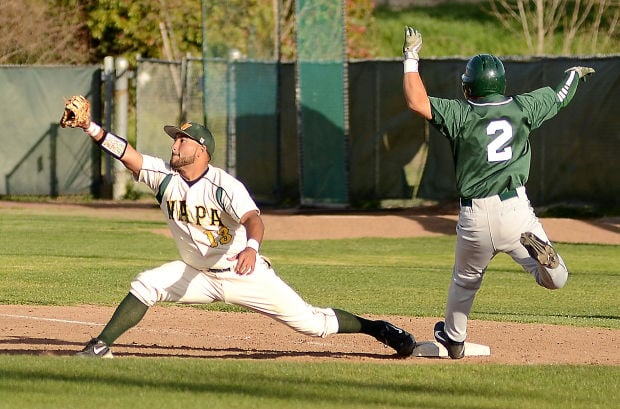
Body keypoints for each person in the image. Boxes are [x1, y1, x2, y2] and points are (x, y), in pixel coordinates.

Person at [67, 97, 415, 359]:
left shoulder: (224, 185)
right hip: (196, 273)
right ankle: (100, 347)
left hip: (241, 272)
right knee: (148, 283)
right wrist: (90, 127)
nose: (174, 144)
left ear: (201, 150)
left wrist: (252, 248)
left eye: (182, 140)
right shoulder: (164, 178)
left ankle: (377, 328)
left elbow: (253, 219)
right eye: (175, 139)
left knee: (313, 324)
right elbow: (128, 154)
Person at [400, 27, 594, 359]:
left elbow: (417, 102)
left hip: (475, 215)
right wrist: (573, 74)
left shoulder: (462, 114)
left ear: (469, 86)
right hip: (516, 211)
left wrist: (410, 57)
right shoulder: (523, 107)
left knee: (465, 281)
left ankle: (453, 337)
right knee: (551, 279)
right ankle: (552, 266)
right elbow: (561, 95)